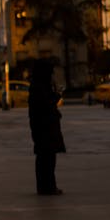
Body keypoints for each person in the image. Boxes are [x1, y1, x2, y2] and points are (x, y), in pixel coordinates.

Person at [28, 59, 66, 195]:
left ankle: (45, 186)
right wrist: (57, 95)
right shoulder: (40, 87)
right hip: (44, 127)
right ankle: (48, 186)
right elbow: (46, 105)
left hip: (42, 127)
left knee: (45, 157)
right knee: (47, 158)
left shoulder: (38, 85)